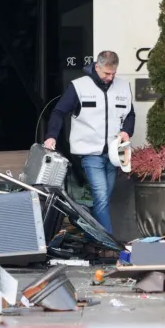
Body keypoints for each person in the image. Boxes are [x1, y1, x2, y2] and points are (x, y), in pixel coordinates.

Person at [44, 51, 135, 234]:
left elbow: (130, 115)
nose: (110, 78)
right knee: (101, 197)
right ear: (96, 67)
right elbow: (59, 112)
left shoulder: (124, 87)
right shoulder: (79, 86)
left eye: (113, 73)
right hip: (90, 153)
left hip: (114, 154)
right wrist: (51, 135)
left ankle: (89, 233)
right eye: (106, 73)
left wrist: (127, 131)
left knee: (104, 199)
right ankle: (110, 243)